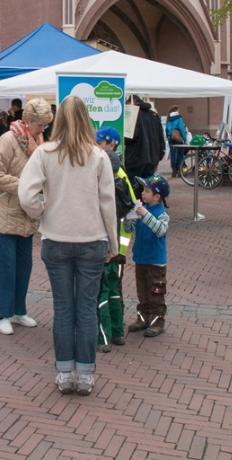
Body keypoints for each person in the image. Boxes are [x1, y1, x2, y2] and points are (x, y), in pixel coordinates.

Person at [18, 96, 117, 396]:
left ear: (57, 119)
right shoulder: (99, 157)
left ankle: (64, 372)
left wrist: (42, 211)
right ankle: (85, 374)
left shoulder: (45, 154)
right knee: (86, 308)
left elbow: (26, 195)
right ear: (88, 120)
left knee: (63, 308)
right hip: (92, 240)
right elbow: (107, 203)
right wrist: (113, 241)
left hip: (56, 240)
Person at [0, 98, 53, 336]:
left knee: (23, 267)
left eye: (45, 125)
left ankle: (18, 311)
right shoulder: (8, 140)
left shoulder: (38, 142)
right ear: (28, 121)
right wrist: (24, 186)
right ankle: (2, 314)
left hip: (25, 215)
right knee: (5, 268)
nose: (43, 130)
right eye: (41, 125)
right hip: (4, 214)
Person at [94, 127, 135, 352]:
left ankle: (105, 336)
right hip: (118, 246)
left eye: (99, 143)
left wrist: (118, 249)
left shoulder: (112, 177)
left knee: (104, 291)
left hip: (109, 247)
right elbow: (131, 210)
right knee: (114, 290)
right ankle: (118, 332)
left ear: (110, 144)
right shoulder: (121, 174)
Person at [124, 174, 170, 338]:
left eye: (147, 191)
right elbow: (129, 230)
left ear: (157, 196)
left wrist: (145, 215)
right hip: (141, 259)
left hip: (155, 262)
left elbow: (160, 230)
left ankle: (157, 322)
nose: (143, 193)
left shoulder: (161, 214)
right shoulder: (142, 209)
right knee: (142, 291)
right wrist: (129, 219)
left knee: (156, 293)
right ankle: (143, 318)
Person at [124, 96, 166, 189]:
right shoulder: (154, 115)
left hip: (136, 157)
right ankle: (145, 203)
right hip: (152, 158)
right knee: (148, 188)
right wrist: (158, 158)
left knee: (130, 187)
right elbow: (161, 138)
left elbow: (130, 137)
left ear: (133, 102)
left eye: (126, 103)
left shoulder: (133, 114)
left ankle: (134, 203)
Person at [165, 105, 187, 178]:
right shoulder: (179, 118)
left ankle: (174, 169)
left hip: (171, 137)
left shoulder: (169, 118)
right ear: (176, 110)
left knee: (173, 154)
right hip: (178, 137)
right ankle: (179, 168)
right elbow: (181, 129)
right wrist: (185, 139)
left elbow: (166, 129)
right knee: (180, 153)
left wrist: (168, 137)